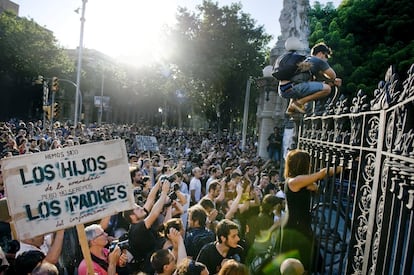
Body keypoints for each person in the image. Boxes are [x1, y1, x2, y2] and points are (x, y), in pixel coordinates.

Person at [279, 149, 341, 272]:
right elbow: (322, 173)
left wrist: (312, 187)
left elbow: (315, 188)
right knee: (299, 264)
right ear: (301, 164)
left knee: (309, 261)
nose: (310, 165)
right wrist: (345, 166)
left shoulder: (296, 181)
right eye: (308, 162)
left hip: (300, 225)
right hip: (295, 227)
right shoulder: (295, 181)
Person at [278, 40, 342, 115]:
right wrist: (334, 80)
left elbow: (314, 82)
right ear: (320, 53)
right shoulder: (317, 60)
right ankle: (298, 103)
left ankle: (291, 109)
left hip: (283, 89)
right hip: (293, 88)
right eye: (326, 56)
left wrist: (327, 81)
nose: (326, 59)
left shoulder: (306, 60)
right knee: (327, 89)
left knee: (304, 84)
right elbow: (333, 75)